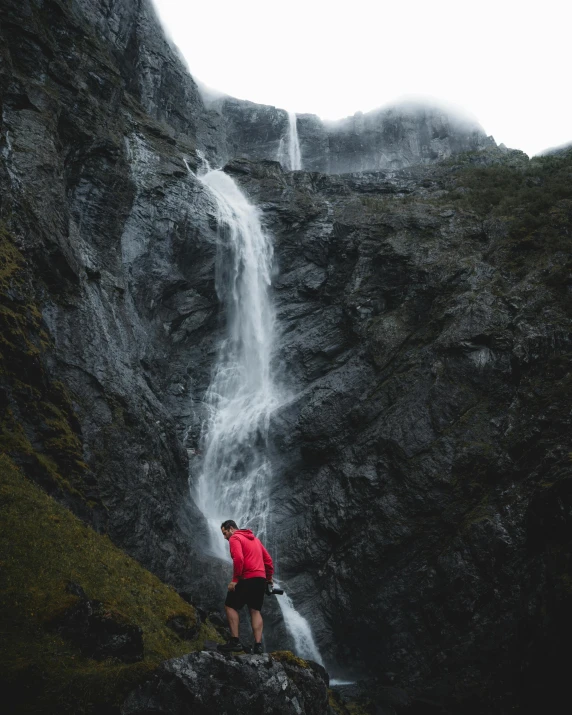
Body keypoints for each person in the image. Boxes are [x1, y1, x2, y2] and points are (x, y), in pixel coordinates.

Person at [217, 519, 274, 655]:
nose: (225, 538)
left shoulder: (235, 538)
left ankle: (234, 641)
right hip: (260, 579)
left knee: (230, 606)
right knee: (255, 610)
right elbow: (268, 561)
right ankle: (258, 646)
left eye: (225, 533)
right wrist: (269, 579)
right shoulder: (256, 540)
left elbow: (239, 559)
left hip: (247, 577)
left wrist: (235, 580)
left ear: (231, 528)